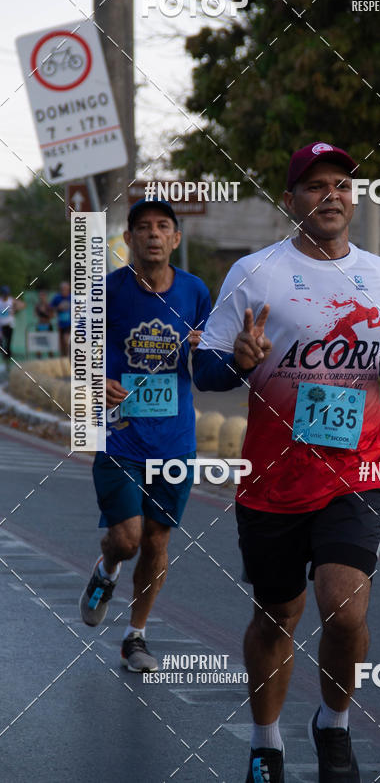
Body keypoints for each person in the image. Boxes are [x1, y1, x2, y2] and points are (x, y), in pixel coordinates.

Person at [193, 142, 380, 782]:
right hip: (272, 478)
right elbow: (204, 366)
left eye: (342, 185)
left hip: (357, 468)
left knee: (344, 609)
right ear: (292, 199)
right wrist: (239, 361)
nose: (332, 195)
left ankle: (333, 726)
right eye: (316, 185)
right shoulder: (254, 272)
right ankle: (266, 741)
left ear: (354, 200)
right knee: (278, 615)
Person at [79, 199, 211, 673]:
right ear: (130, 239)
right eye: (142, 228)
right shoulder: (106, 291)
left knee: (157, 540)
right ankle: (107, 568)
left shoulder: (196, 292)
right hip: (120, 436)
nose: (153, 234)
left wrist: (210, 348)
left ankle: (135, 635)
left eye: (162, 227)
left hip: (175, 441)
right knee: (128, 538)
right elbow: (81, 353)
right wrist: (96, 382)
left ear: (175, 238)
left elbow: (213, 365)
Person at [0, 284, 25, 365]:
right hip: (1, 324)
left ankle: (7, 357)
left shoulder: (11, 300)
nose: (6, 295)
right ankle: (3, 357)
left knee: (8, 341)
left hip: (9, 323)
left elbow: (22, 304)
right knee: (2, 340)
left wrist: (15, 309)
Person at [50, 281, 72, 357]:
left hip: (69, 324)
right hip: (60, 323)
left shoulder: (72, 297)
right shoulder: (57, 298)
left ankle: (68, 356)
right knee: (61, 343)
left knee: (66, 340)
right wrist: (58, 308)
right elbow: (50, 308)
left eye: (66, 289)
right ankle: (63, 358)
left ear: (69, 289)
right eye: (62, 289)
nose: (64, 291)